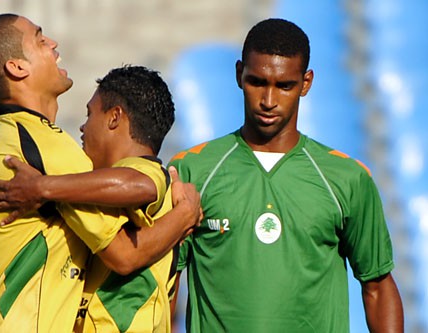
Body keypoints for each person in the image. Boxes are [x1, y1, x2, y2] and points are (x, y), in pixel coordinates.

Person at [0, 14, 200, 333]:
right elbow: (125, 254)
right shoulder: (45, 147)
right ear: (17, 67)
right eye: (40, 39)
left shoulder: (2, 138)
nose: (53, 43)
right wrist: (185, 214)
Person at [167, 18, 404, 332]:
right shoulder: (192, 171)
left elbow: (377, 286)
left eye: (284, 86)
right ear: (239, 74)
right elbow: (166, 285)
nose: (268, 100)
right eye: (257, 82)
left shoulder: (347, 178)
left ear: (306, 83)